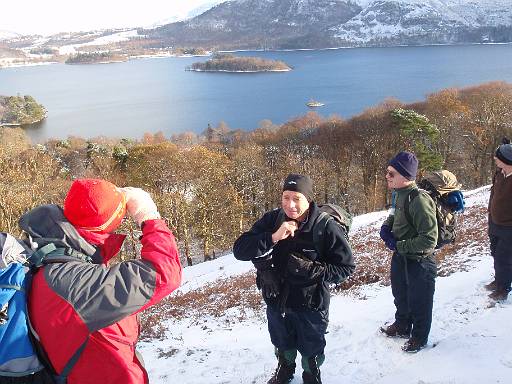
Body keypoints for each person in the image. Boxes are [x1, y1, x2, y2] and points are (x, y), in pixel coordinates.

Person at [19, 179, 182, 384]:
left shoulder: (50, 260)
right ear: (112, 223)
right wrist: (148, 216)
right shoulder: (78, 283)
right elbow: (164, 272)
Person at [233, 174, 354, 384]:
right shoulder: (273, 219)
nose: (290, 205)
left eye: (296, 198)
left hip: (311, 305)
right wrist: (272, 239)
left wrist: (311, 269)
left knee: (311, 348)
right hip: (276, 298)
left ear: (308, 199)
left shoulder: (325, 227)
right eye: (285, 197)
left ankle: (311, 374)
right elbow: (240, 249)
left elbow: (345, 269)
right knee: (281, 341)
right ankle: (285, 370)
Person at [379, 151, 438, 353]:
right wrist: (387, 227)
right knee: (401, 294)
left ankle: (419, 337)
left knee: (420, 300)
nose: (387, 176)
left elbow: (430, 239)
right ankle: (403, 325)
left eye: (391, 173)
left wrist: (399, 246)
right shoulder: (397, 194)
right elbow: (394, 215)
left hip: (420, 261)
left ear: (405, 177)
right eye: (387, 172)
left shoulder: (419, 200)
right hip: (401, 257)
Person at [486, 138, 512, 301]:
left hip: (509, 227)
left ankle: (503, 289)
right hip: (494, 223)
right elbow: (493, 194)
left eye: (497, 157)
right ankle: (498, 280)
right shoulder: (499, 174)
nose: (495, 159)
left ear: (506, 160)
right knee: (495, 253)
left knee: (505, 258)